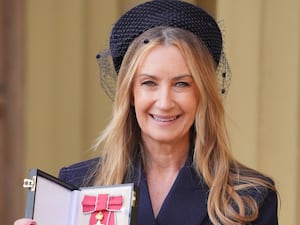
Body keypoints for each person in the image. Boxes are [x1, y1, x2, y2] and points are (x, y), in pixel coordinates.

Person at [15, 0, 278, 225]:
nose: (164, 102)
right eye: (149, 83)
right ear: (130, 93)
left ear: (203, 94)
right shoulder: (76, 187)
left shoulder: (250, 197)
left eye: (182, 84)